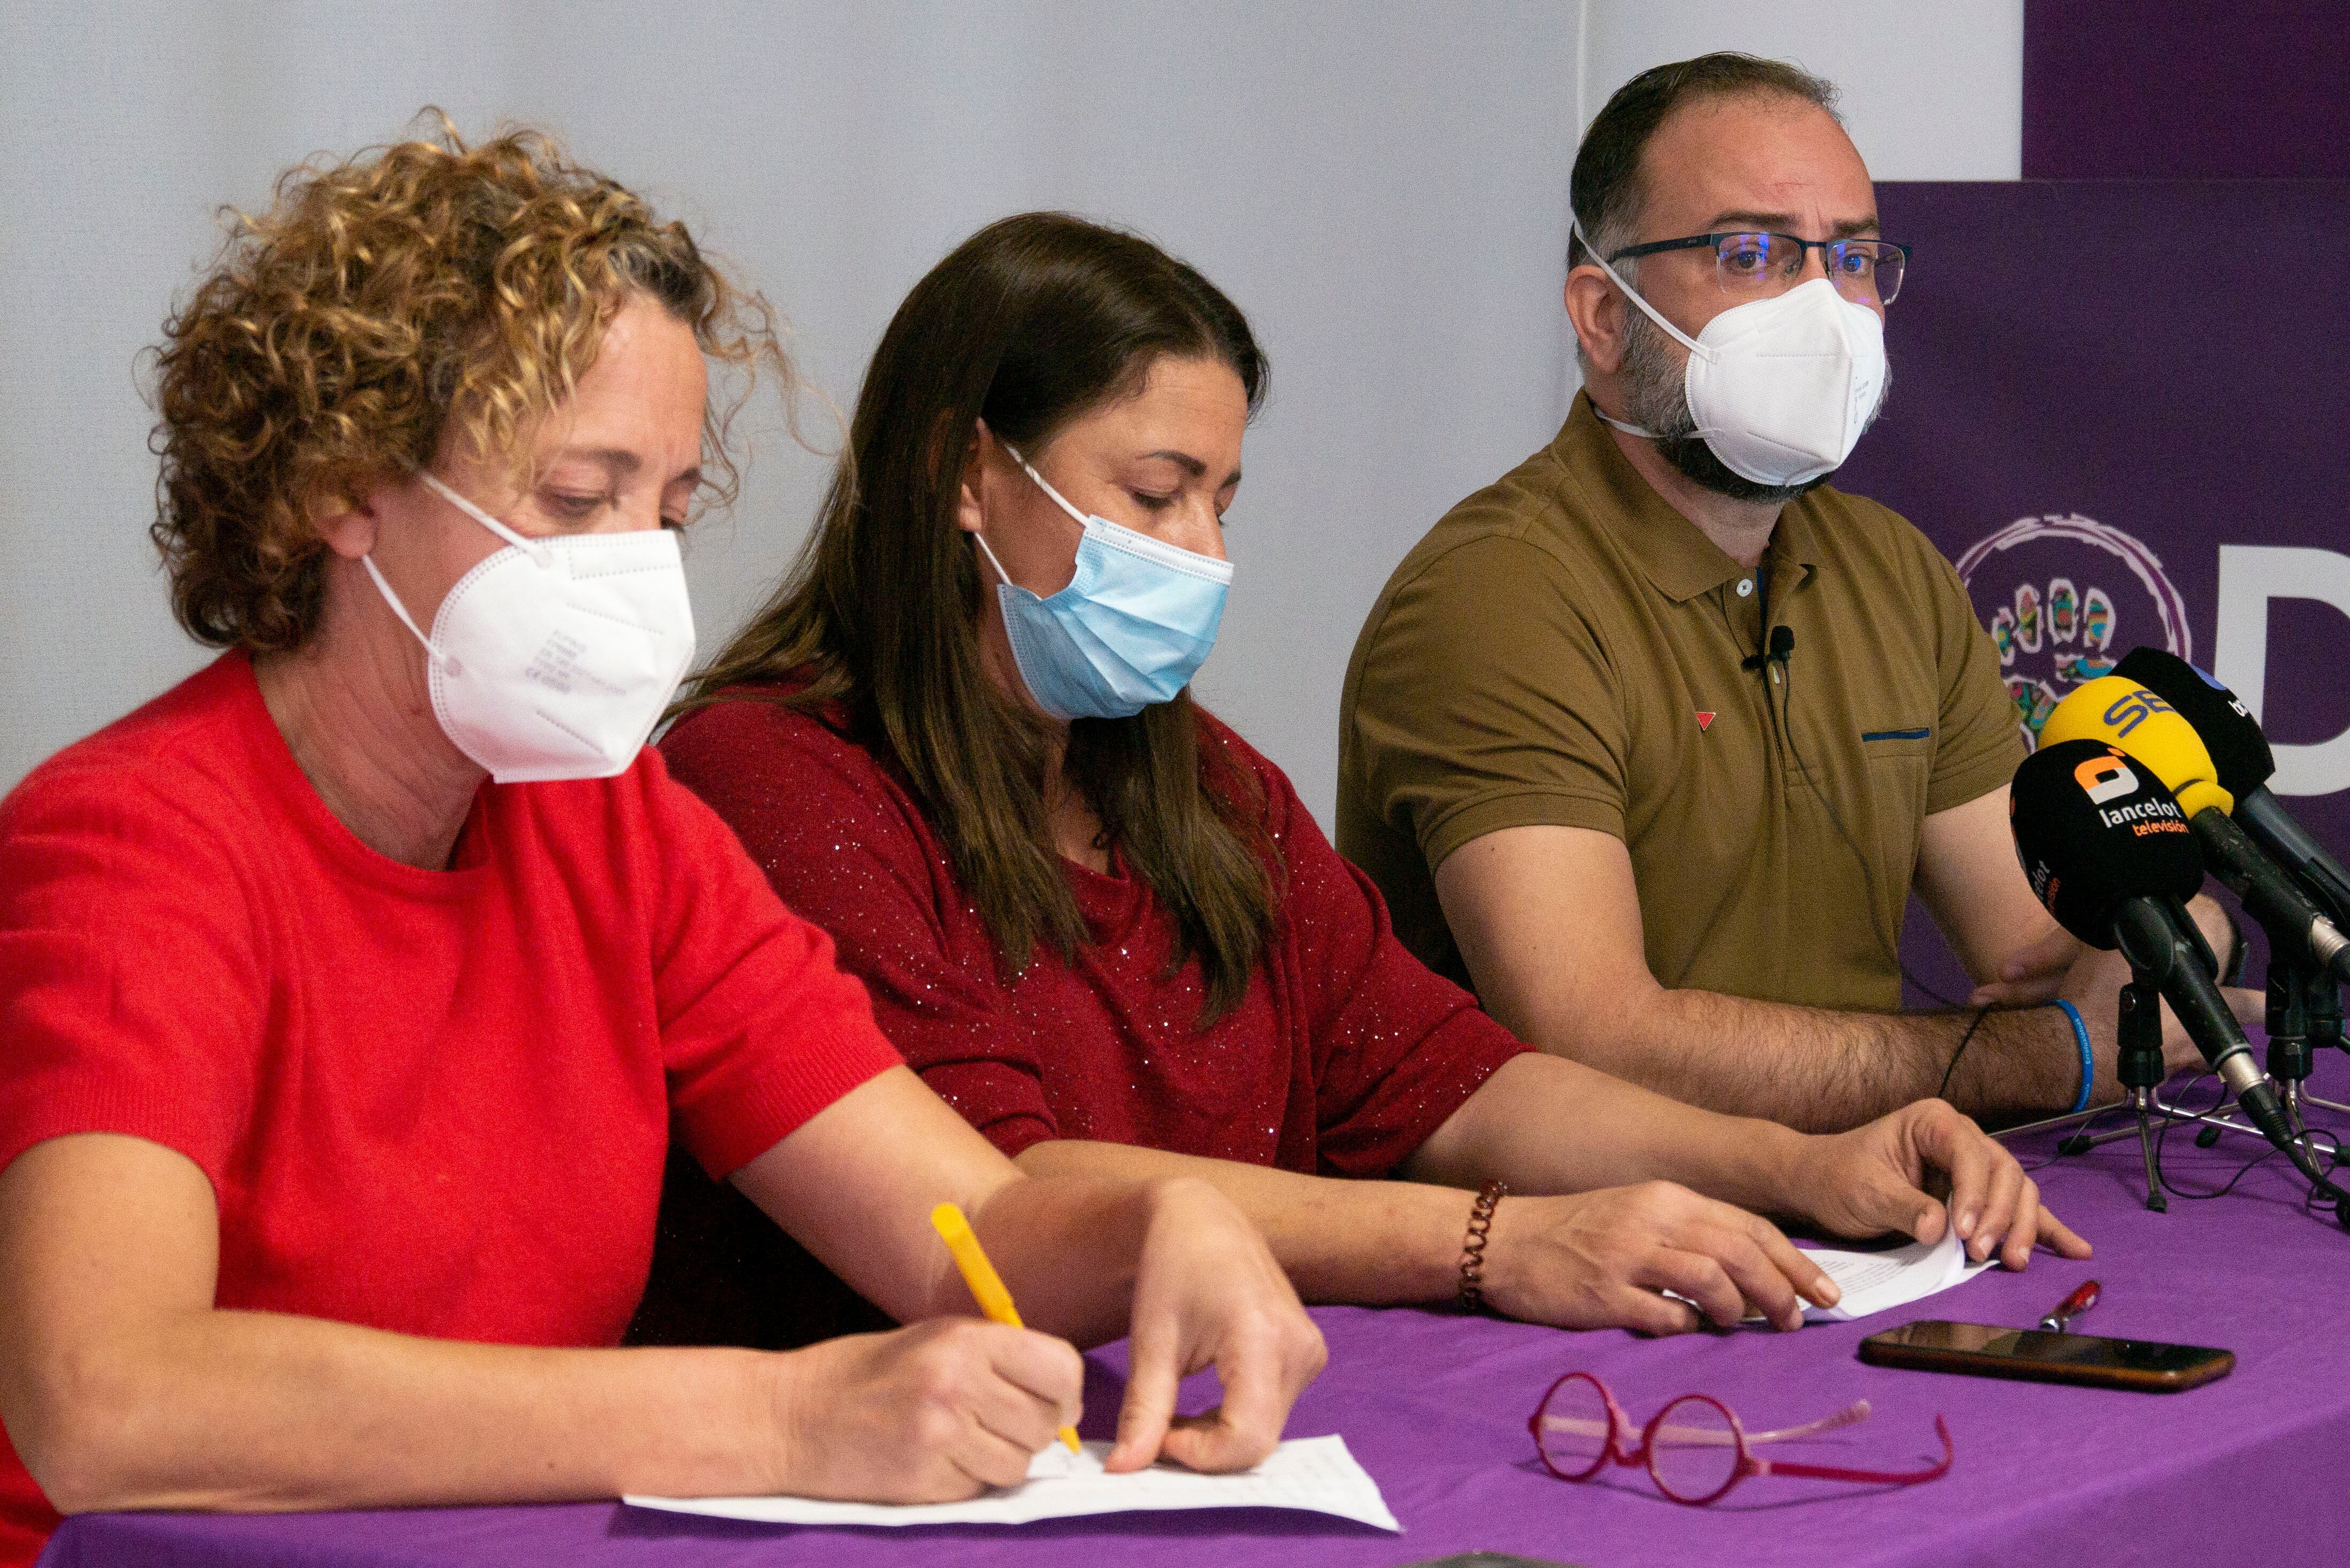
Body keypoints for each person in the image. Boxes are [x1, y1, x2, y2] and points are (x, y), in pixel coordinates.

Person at [0, 123, 1327, 1568]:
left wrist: (1154, 1225)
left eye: (669, 511)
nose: (636, 568)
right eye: (578, 499)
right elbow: (104, 1398)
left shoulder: (610, 821)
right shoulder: (133, 841)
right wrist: (770, 1418)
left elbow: (964, 1227)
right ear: (344, 489)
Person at [656, 210, 2088, 1361]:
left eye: (1223, 498)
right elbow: (994, 1191)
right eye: (1156, 493)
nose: (1203, 550)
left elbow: (1450, 1079)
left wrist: (1794, 1161)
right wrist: (1494, 1244)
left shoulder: (1200, 779)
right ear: (960, 471)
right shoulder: (766, 776)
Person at [1336, 54, 2246, 1135]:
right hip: (1568, 1262)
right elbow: (1592, 1043)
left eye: (1853, 258)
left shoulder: (1890, 570)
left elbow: (2037, 940)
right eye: (1752, 253)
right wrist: (2055, 1057)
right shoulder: (1492, 598)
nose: (1823, 307)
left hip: (1862, 1224)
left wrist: (2177, 928)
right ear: (1599, 313)